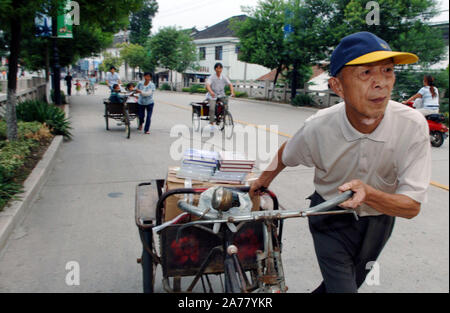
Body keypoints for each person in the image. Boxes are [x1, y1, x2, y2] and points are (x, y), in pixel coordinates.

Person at [250, 31, 431, 293]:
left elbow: (411, 206)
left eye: (387, 70)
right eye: (366, 73)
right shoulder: (318, 126)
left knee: (345, 284)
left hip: (379, 221)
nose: (381, 82)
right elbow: (287, 153)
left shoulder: (412, 126)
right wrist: (262, 181)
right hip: (329, 215)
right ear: (337, 86)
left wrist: (368, 193)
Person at [205, 63, 235, 129]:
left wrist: (232, 92)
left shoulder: (223, 77)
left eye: (220, 68)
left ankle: (223, 116)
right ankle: (212, 123)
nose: (219, 70)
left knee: (225, 105)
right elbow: (207, 85)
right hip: (212, 95)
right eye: (217, 68)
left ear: (222, 69)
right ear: (215, 69)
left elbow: (230, 84)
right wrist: (211, 92)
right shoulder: (212, 77)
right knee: (212, 108)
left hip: (221, 95)